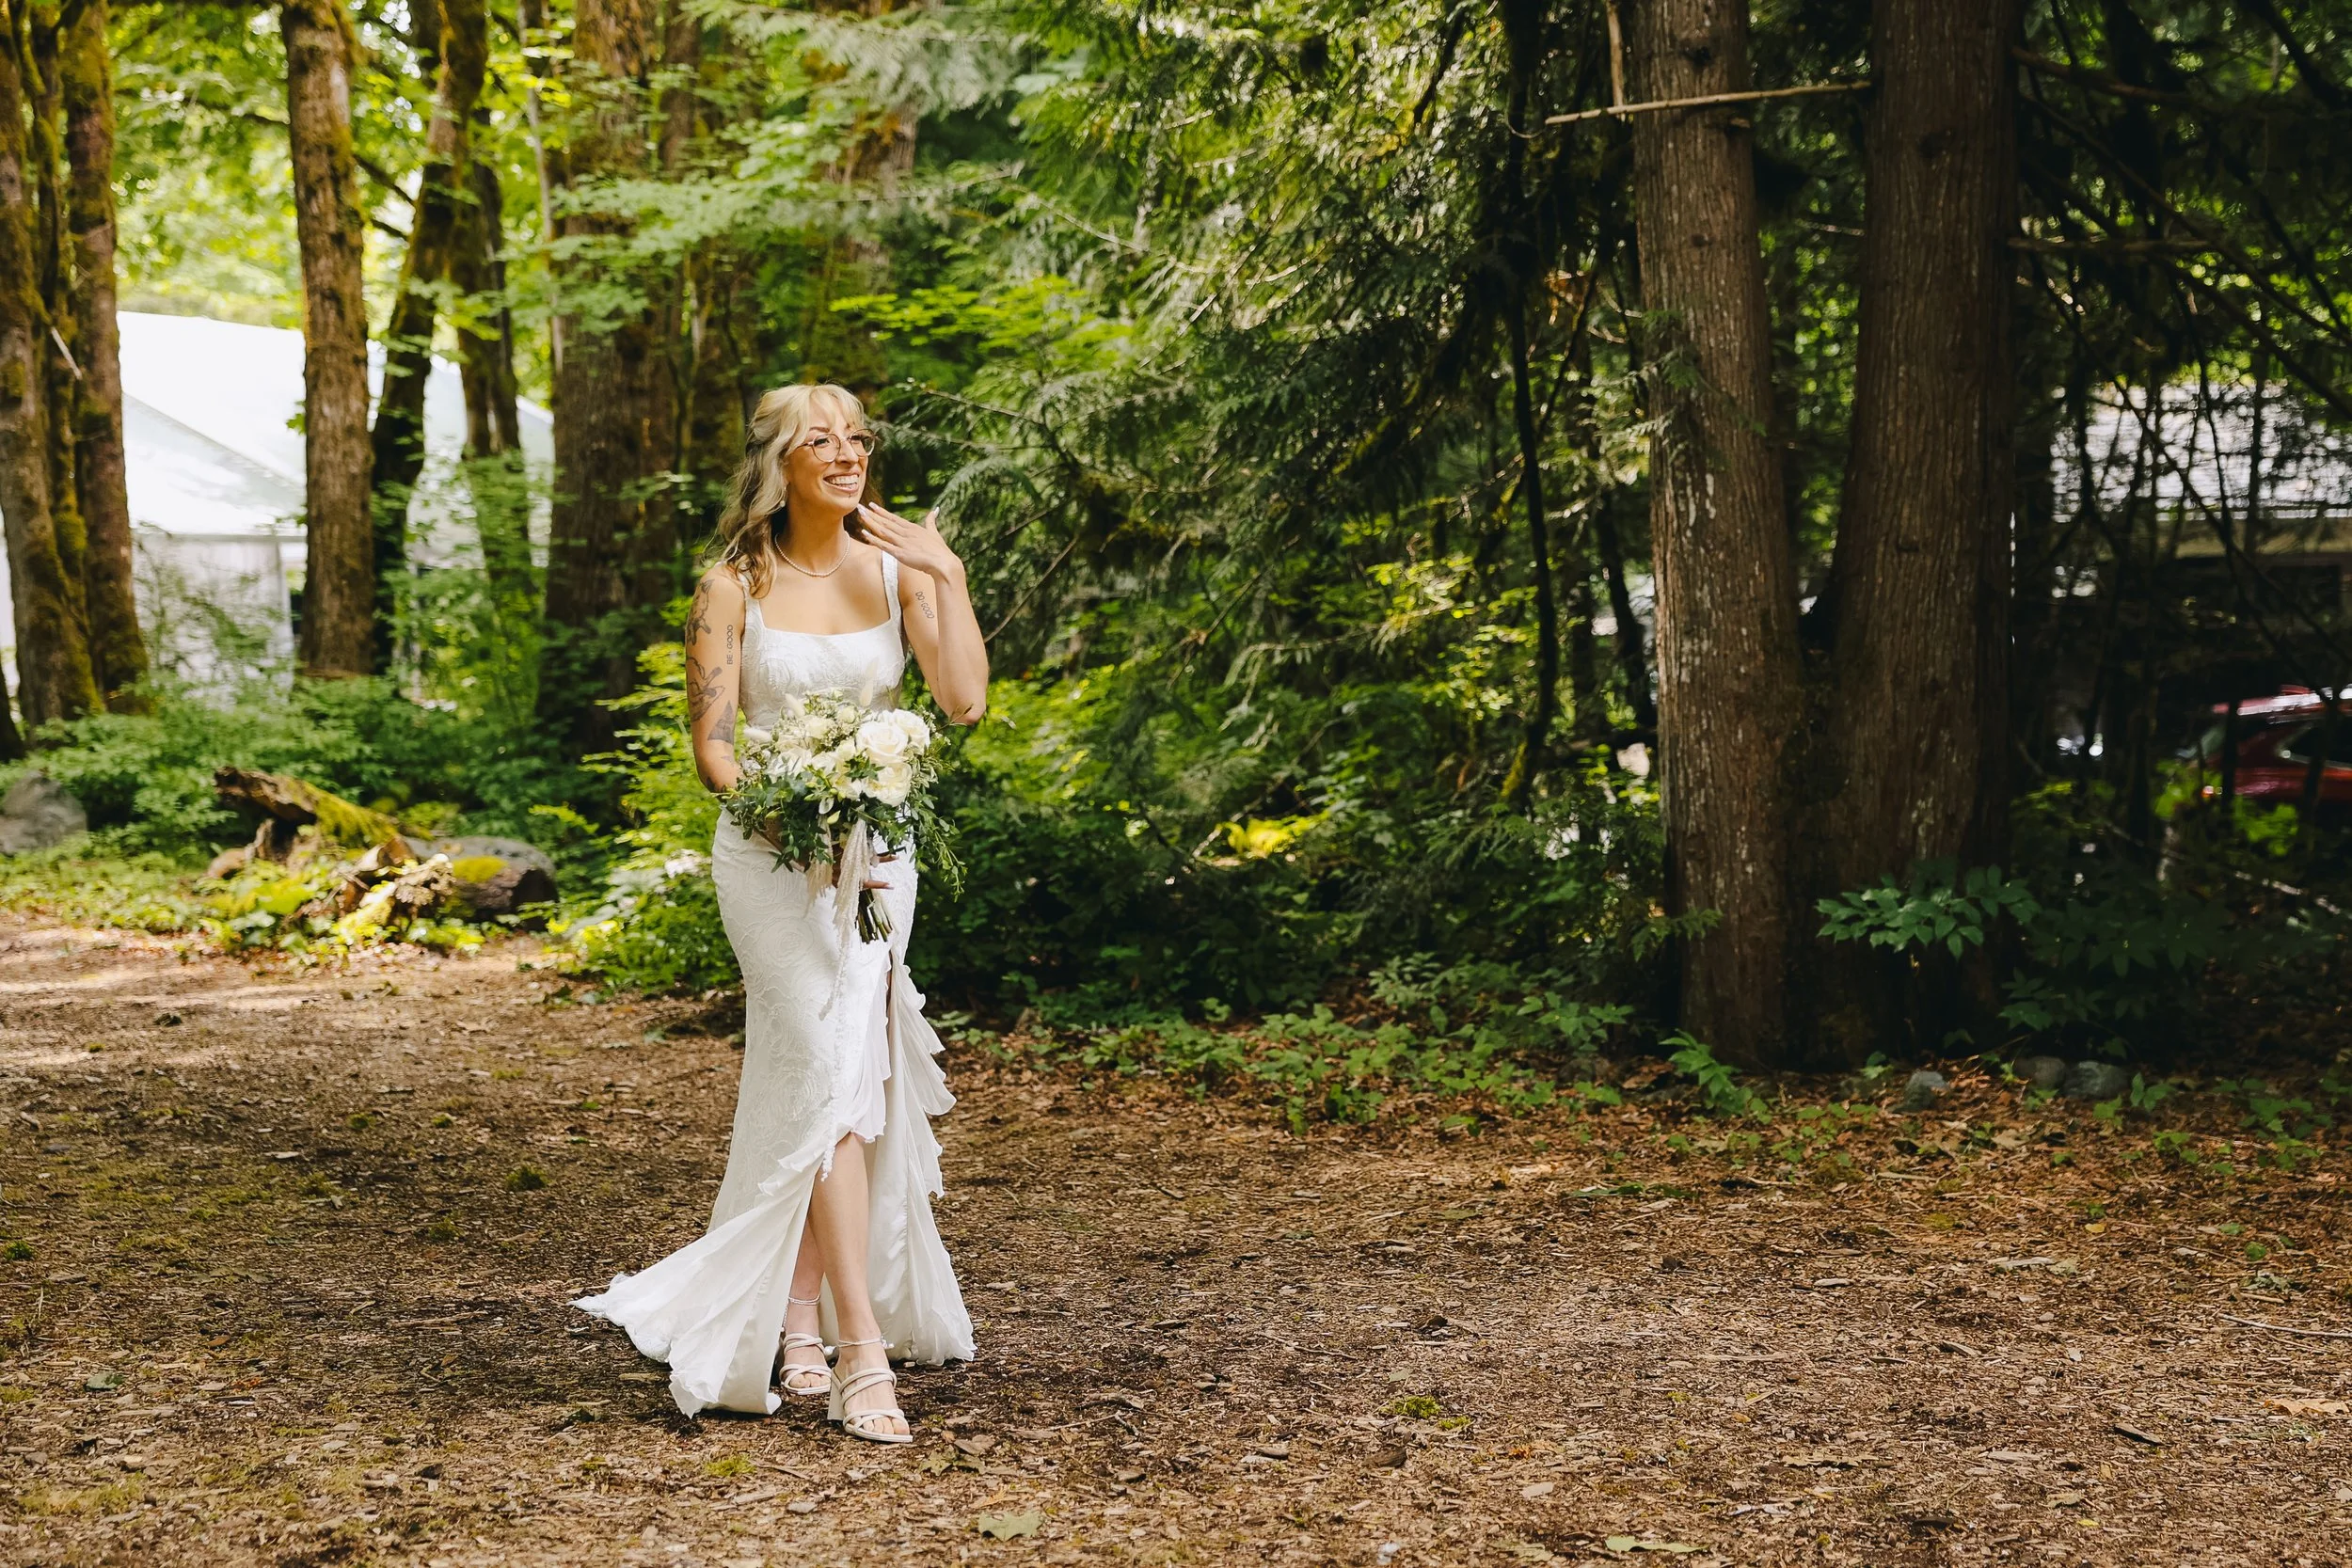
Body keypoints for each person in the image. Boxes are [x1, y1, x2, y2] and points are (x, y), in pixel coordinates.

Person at [575, 384, 986, 1441]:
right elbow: (714, 744)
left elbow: (962, 701)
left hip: (881, 861)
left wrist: (946, 571)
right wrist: (786, 809)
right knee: (815, 1060)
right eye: (822, 440)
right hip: (770, 857)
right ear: (780, 464)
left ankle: (798, 1317)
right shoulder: (730, 585)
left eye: (857, 437)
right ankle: (860, 1351)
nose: (846, 453)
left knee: (846, 1079)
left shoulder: (899, 568)